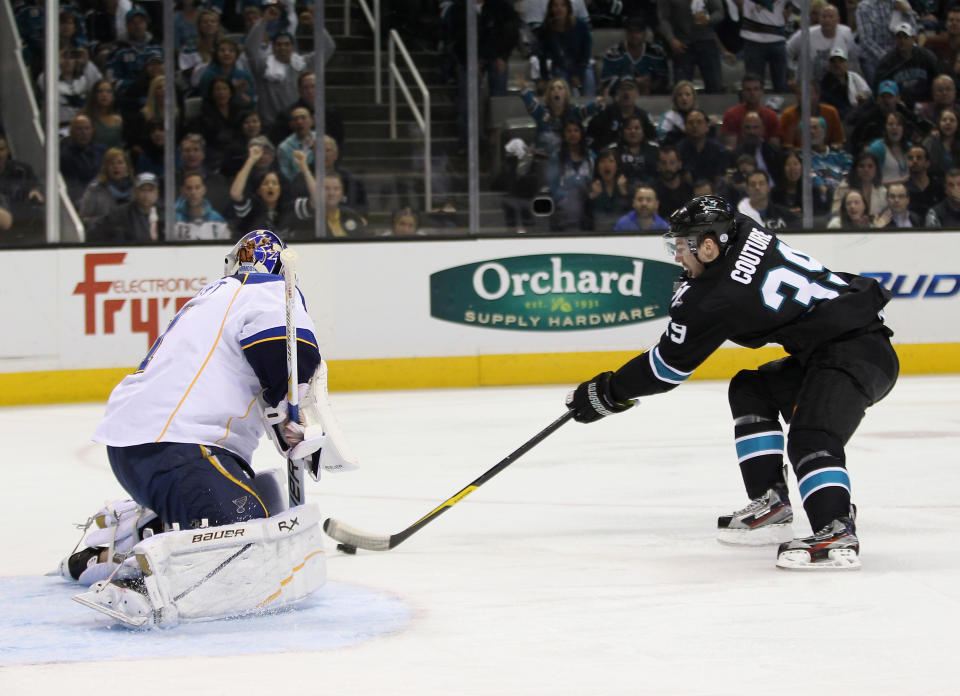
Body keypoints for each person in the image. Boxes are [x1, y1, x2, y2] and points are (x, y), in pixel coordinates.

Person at [565, 195, 898, 570]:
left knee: (812, 436)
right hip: (836, 347)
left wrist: (607, 392)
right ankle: (772, 501)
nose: (677, 257)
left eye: (681, 247)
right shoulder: (743, 227)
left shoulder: (715, 299)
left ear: (708, 246)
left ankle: (835, 527)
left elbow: (666, 369)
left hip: (855, 353)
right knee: (752, 388)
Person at [66, 230, 356, 626]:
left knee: (267, 497)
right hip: (181, 449)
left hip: (140, 447)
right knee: (250, 537)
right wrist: (295, 408)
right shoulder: (270, 291)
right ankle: (133, 578)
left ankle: (131, 535)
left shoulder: (212, 298)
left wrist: (284, 413)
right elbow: (287, 356)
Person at [230, 143, 317, 239]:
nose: (270, 187)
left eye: (274, 183)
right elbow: (235, 193)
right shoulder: (250, 208)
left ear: (280, 189)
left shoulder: (290, 208)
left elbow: (316, 200)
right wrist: (251, 160)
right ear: (259, 190)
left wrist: (304, 167)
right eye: (265, 183)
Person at [657, 0, 724, 94]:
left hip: (706, 40)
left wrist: (709, 19)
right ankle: (682, 108)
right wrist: (671, 39)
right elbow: (663, 19)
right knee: (681, 87)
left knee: (715, 85)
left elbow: (719, 11)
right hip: (682, 43)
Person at [786, 2, 859, 86]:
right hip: (809, 85)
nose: (827, 20)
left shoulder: (846, 33)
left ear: (838, 20)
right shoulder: (805, 34)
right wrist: (792, 72)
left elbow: (853, 59)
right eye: (824, 16)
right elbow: (787, 51)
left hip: (836, 85)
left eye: (831, 17)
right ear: (819, 19)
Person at [875, 23, 943, 110]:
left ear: (913, 39)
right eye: (899, 37)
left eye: (906, 37)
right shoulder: (887, 61)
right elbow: (880, 86)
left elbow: (937, 78)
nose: (902, 41)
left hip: (926, 102)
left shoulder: (926, 56)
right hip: (899, 105)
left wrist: (931, 102)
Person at [536, 0, 596, 96]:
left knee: (588, 77)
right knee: (561, 86)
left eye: (563, 5)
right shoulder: (546, 29)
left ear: (568, 8)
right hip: (560, 67)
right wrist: (545, 78)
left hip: (582, 65)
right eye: (555, 5)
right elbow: (541, 55)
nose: (559, 9)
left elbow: (586, 51)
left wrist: (577, 74)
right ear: (551, 9)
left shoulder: (581, 26)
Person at [598, 15, 668, 96]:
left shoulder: (656, 52)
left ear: (644, 33)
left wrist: (649, 86)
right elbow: (606, 82)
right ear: (626, 33)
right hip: (619, 97)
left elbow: (664, 80)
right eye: (631, 32)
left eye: (638, 32)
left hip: (651, 96)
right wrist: (634, 81)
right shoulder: (613, 54)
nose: (634, 35)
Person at [547, 118, 596, 231]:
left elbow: (596, 182)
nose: (572, 134)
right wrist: (569, 197)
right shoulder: (557, 157)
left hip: (587, 208)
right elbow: (553, 188)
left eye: (576, 131)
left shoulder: (590, 156)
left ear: (581, 133)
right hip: (564, 210)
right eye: (569, 131)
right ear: (564, 135)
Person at [585, 76, 657, 153]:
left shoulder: (643, 116)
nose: (626, 92)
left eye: (630, 88)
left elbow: (653, 140)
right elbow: (590, 137)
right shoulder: (605, 114)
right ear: (617, 93)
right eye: (622, 89)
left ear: (637, 93)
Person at [856, 0, 918, 85]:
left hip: (900, 55)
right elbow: (866, 40)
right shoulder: (864, 7)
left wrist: (907, 12)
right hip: (874, 58)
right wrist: (889, 59)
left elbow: (913, 32)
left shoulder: (902, 3)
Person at [89, 171, 162, 243]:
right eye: (142, 190)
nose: (146, 194)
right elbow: (97, 233)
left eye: (150, 190)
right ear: (135, 191)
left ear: (157, 192)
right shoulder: (119, 214)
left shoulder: (165, 214)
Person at [739, 0, 791, 93]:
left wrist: (789, 11)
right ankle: (754, 108)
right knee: (753, 85)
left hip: (777, 38)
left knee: (781, 86)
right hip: (753, 38)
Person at [720, 74, 782, 151]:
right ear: (742, 92)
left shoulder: (771, 116)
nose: (752, 93)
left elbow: (774, 148)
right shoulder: (731, 115)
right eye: (748, 90)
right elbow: (731, 148)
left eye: (756, 89)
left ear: (762, 92)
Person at [79, 147, 134, 230]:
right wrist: (105, 222)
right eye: (111, 163)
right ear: (106, 167)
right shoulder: (95, 189)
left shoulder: (135, 189)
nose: (116, 166)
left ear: (127, 166)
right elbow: (83, 219)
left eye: (120, 163)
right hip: (103, 238)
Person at [779, 81, 845, 150]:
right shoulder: (788, 114)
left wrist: (827, 149)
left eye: (808, 93)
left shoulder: (831, 112)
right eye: (799, 94)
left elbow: (839, 141)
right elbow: (786, 145)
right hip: (799, 155)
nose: (803, 97)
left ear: (817, 95)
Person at [60, 114, 106, 207]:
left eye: (87, 128)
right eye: (79, 129)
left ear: (93, 131)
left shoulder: (102, 150)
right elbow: (73, 185)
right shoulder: (65, 155)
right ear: (71, 132)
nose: (84, 132)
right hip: (79, 198)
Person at [677, 108, 729, 189]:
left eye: (699, 122)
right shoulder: (678, 151)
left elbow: (720, 179)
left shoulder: (719, 150)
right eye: (690, 122)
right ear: (685, 127)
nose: (695, 125)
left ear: (707, 127)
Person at [171, 172, 231, 240]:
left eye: (197, 187)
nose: (193, 192)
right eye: (188, 188)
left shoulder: (217, 219)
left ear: (204, 189)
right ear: (182, 190)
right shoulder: (174, 219)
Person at [819, 46, 872, 121]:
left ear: (847, 64)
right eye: (833, 61)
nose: (837, 64)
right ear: (829, 65)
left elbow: (868, 95)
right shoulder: (825, 84)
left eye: (840, 61)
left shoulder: (855, 78)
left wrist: (862, 101)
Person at [831, 151, 887, 217]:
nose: (866, 170)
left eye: (870, 166)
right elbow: (835, 213)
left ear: (876, 169)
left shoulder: (882, 191)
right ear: (855, 169)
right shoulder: (844, 187)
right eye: (861, 166)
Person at [588, 148, 631, 231]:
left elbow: (633, 212)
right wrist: (592, 197)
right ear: (597, 166)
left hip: (623, 232)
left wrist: (624, 192)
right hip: (599, 232)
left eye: (611, 161)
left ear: (617, 165)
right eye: (602, 161)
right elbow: (586, 216)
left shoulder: (627, 184)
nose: (606, 165)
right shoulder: (590, 186)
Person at [616, 114, 659, 190]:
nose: (633, 131)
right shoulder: (614, 151)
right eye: (629, 128)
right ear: (623, 131)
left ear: (643, 131)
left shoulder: (654, 150)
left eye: (637, 128)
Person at [81, 79, 126, 150]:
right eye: (100, 91)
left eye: (109, 92)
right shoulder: (85, 118)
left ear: (113, 96)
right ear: (94, 95)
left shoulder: (118, 119)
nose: (104, 94)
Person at [323, 172, 368, 238]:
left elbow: (362, 241)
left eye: (336, 189)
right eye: (326, 189)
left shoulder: (351, 215)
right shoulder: (313, 219)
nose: (331, 193)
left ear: (342, 193)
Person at [904, 143, 943, 219]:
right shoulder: (903, 189)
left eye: (919, 158)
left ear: (927, 163)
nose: (914, 161)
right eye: (910, 158)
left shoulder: (938, 188)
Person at [653, 145, 693, 218]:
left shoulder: (689, 189)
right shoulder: (653, 190)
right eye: (663, 163)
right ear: (658, 165)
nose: (668, 168)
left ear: (679, 165)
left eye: (672, 163)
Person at [656, 81, 699, 146]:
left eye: (688, 94)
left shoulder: (699, 116)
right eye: (680, 95)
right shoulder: (669, 116)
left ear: (694, 97)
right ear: (675, 99)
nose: (684, 98)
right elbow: (661, 138)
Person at [921, 107, 960, 178]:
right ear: (939, 123)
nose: (948, 123)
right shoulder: (930, 142)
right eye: (944, 120)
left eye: (952, 120)